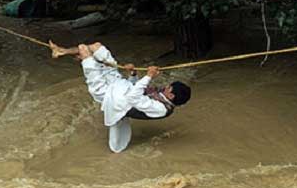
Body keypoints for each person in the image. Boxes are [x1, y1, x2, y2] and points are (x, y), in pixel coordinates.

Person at [49, 41, 191, 153]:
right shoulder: (160, 95)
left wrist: (148, 76)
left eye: (168, 88)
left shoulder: (160, 109)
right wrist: (133, 74)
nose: (166, 87)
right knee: (97, 47)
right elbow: (135, 89)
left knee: (84, 50)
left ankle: (76, 56)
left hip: (108, 95)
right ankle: (62, 51)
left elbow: (133, 98)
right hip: (119, 85)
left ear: (171, 95)